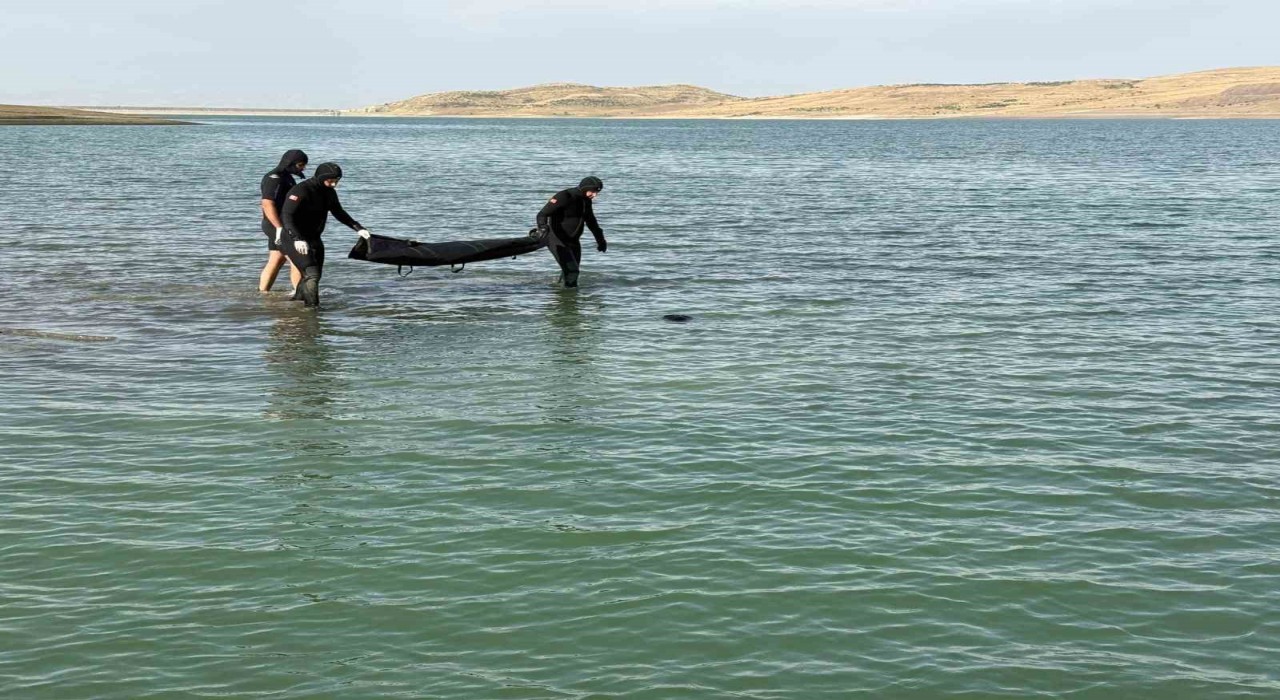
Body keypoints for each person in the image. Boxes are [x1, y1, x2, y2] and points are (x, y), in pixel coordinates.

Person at [280, 162, 370, 308]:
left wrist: (358, 228)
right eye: (331, 181)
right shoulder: (300, 190)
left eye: (337, 181)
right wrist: (297, 238)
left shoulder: (329, 192)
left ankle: (296, 302)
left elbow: (339, 212)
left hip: (314, 238)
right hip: (293, 238)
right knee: (312, 274)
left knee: (314, 276)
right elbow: (286, 216)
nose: (334, 185)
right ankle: (312, 309)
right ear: (321, 177)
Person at [535, 176, 607, 288]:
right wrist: (543, 227)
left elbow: (591, 222)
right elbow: (542, 214)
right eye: (592, 191)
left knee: (571, 271)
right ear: (584, 188)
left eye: (597, 192)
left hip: (573, 241)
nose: (595, 195)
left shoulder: (586, 201)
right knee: (572, 271)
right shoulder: (565, 196)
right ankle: (569, 300)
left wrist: (601, 240)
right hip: (557, 239)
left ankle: (560, 293)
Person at [258, 149, 308, 293]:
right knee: (297, 260)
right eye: (300, 165)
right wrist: (279, 228)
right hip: (276, 226)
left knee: (276, 259)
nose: (302, 168)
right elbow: (267, 203)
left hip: (279, 225)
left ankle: (263, 293)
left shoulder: (287, 177)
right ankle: (300, 295)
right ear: (290, 163)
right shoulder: (274, 178)